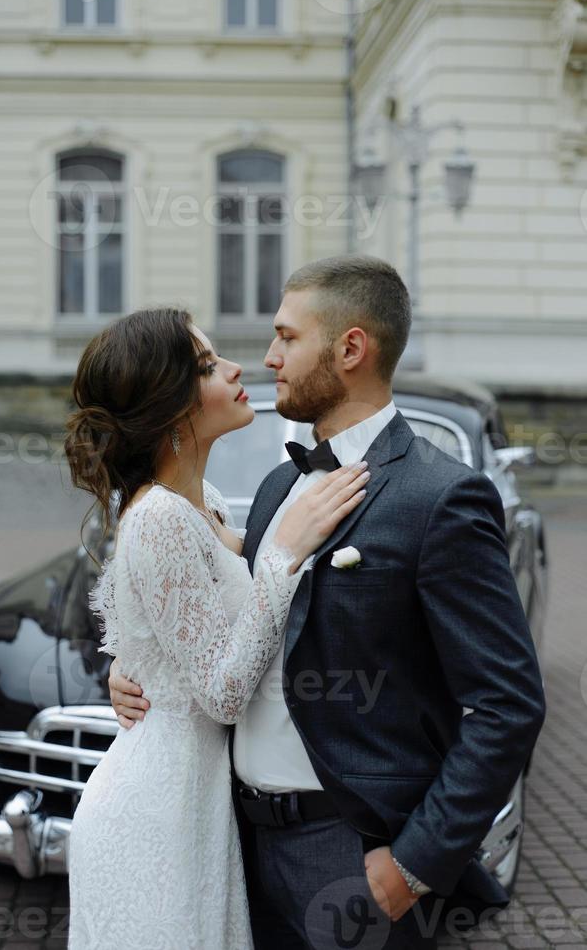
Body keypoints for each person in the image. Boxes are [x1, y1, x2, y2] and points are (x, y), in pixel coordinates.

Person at [110, 255, 546, 949]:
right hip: (235, 845)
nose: (269, 357)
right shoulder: (284, 488)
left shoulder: (441, 498)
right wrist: (141, 667)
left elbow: (507, 703)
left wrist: (414, 864)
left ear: (350, 349)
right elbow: (231, 631)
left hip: (350, 857)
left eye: (287, 337)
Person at [63, 306, 369, 949]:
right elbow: (223, 693)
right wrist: (283, 554)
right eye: (206, 366)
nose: (238, 368)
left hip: (202, 807)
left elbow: (180, 638)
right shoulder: (158, 520)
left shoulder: (204, 506)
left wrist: (137, 669)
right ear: (171, 407)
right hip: (154, 816)